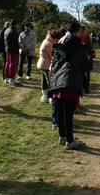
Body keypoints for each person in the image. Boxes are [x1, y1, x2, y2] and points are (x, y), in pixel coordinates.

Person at [49, 21, 91, 150]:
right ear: (78, 32)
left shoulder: (59, 46)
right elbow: (87, 66)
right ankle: (70, 141)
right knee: (68, 114)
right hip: (70, 83)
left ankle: (63, 137)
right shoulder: (78, 48)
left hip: (56, 82)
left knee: (60, 113)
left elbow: (54, 63)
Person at [37, 31, 62, 103]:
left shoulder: (46, 41)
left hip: (42, 64)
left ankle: (45, 96)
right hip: (46, 64)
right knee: (50, 81)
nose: (57, 42)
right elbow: (52, 56)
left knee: (44, 81)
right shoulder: (48, 44)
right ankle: (50, 97)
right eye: (57, 40)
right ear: (55, 38)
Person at [4, 19, 21, 84]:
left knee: (7, 63)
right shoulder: (13, 31)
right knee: (13, 64)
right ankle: (12, 78)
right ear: (15, 24)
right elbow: (14, 43)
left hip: (7, 49)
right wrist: (16, 50)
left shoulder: (7, 30)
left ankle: (7, 77)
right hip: (12, 50)